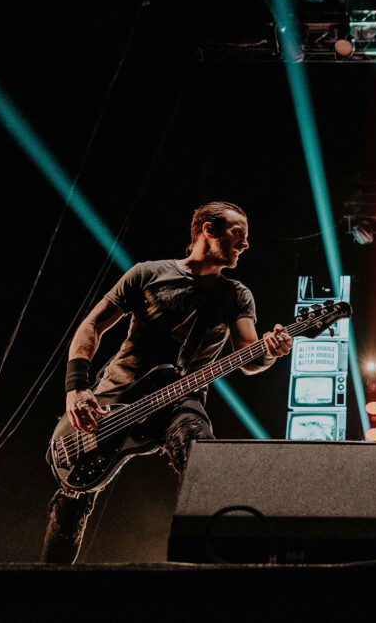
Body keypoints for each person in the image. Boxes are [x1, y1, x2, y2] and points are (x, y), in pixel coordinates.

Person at [41, 201, 292, 563]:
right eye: (239, 234)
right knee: (74, 496)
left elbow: (250, 358)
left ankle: (208, 573)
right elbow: (91, 325)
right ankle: (43, 588)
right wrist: (76, 387)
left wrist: (271, 350)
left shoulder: (236, 295)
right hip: (116, 395)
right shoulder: (147, 273)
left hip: (180, 399)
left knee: (205, 461)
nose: (246, 244)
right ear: (208, 229)